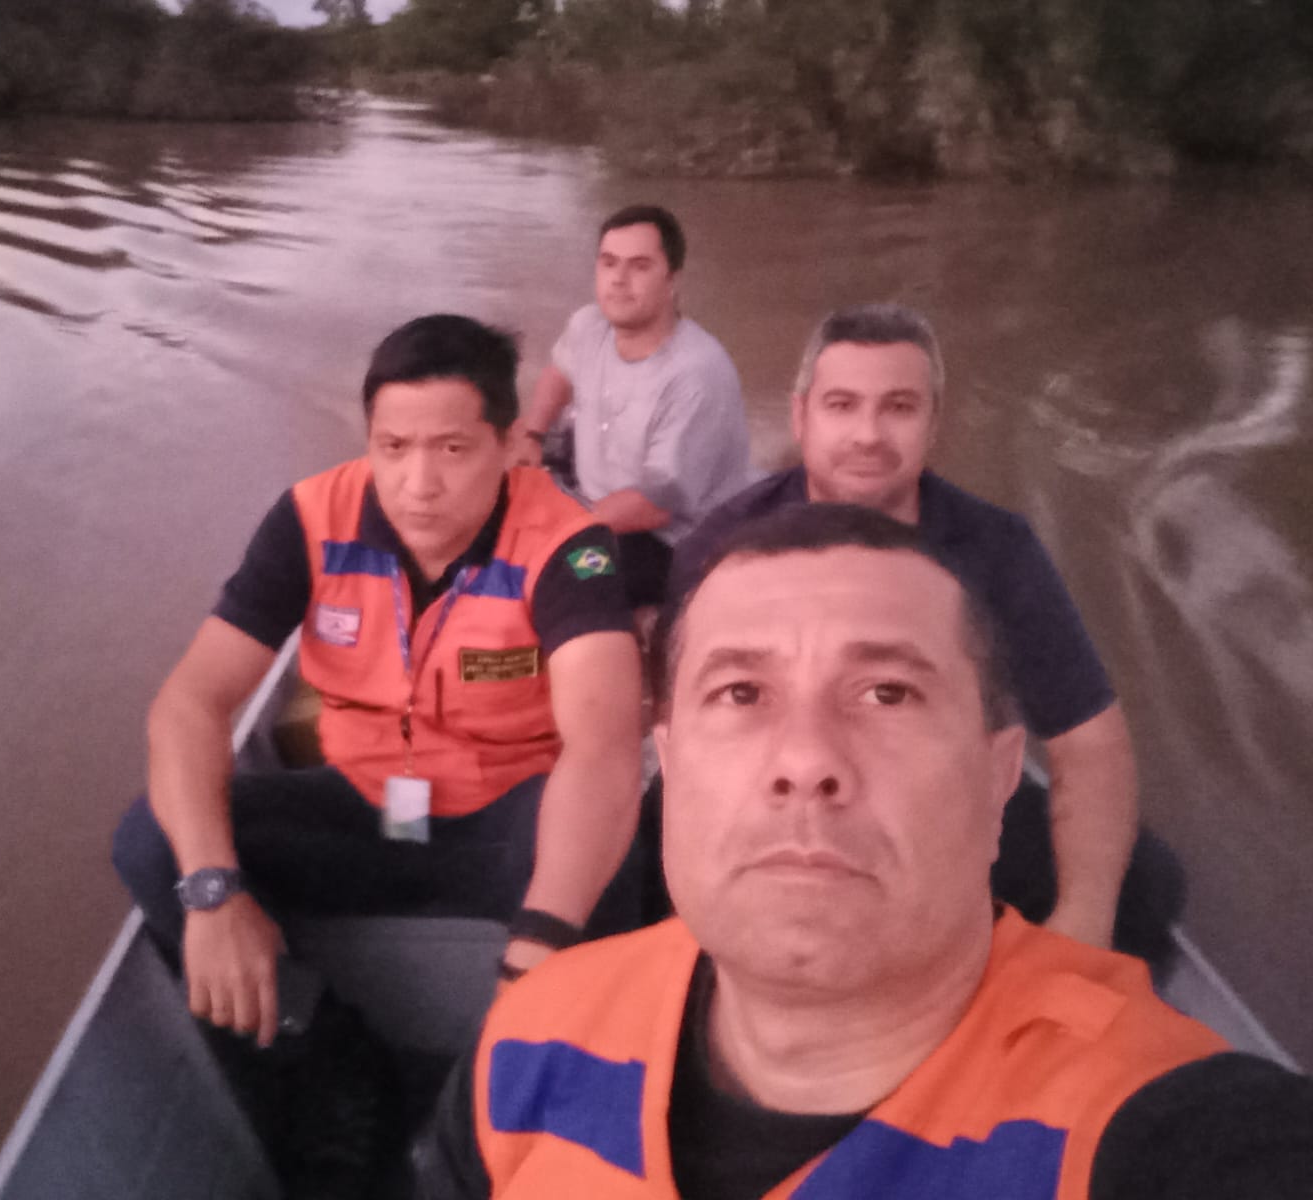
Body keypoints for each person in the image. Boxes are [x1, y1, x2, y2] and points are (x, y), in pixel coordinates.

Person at [415, 504, 1313, 1199]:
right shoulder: (526, 1043)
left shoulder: (1154, 1128)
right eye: (739, 692)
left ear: (1001, 776)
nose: (806, 760)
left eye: (887, 692)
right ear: (671, 759)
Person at [113, 314, 642, 1048]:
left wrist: (540, 945)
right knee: (153, 842)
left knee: (622, 858)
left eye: (452, 449)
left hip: (503, 825)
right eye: (393, 448)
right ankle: (328, 1060)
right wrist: (214, 893)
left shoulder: (567, 547)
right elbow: (189, 704)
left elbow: (605, 745)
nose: (417, 485)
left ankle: (561, 1073)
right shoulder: (309, 519)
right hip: (362, 808)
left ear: (509, 444)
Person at [671, 303, 1136, 949]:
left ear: (933, 423)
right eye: (841, 405)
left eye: (898, 407)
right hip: (771, 791)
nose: (868, 434)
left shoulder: (997, 550)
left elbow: (1089, 740)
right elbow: (677, 731)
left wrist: (1084, 919)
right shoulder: (724, 547)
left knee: (1143, 882)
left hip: (941, 802)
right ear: (801, 417)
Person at [513, 204, 752, 611]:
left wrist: (557, 529)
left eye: (639, 266)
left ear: (671, 279)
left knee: (561, 581)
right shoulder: (589, 325)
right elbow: (560, 373)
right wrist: (532, 434)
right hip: (597, 501)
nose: (619, 280)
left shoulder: (694, 374)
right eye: (609, 264)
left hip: (669, 541)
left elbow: (655, 505)